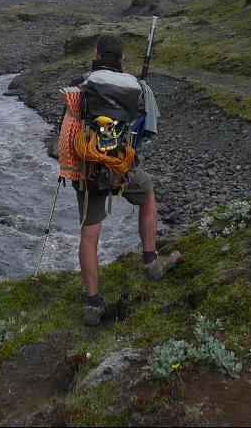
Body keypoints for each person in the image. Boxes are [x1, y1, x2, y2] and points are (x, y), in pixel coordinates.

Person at [69, 34, 182, 326]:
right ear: (121, 59)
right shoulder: (136, 87)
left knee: (89, 235)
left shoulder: (81, 85)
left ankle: (93, 304)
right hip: (122, 165)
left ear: (96, 54)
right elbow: (144, 128)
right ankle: (149, 260)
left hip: (89, 168)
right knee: (148, 195)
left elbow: (69, 127)